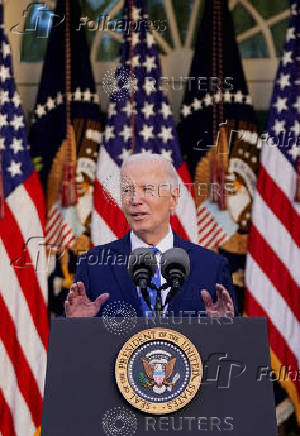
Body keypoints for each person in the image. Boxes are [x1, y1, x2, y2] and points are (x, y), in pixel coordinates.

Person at [65, 153, 237, 318]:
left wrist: (223, 328)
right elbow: (77, 343)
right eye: (127, 190)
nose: (134, 199)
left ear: (173, 198)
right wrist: (77, 326)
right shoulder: (93, 265)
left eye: (147, 189)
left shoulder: (211, 267)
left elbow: (233, 343)